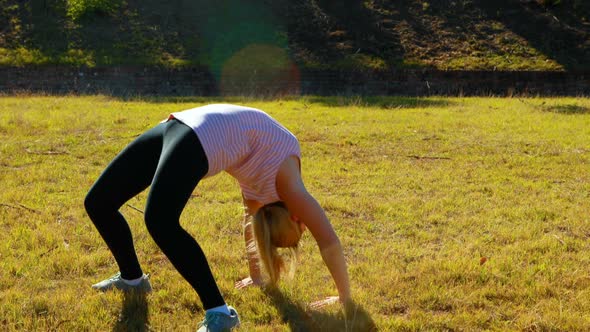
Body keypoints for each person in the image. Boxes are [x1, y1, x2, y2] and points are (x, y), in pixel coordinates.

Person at [84, 104, 351, 331]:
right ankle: (133, 280)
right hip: (186, 126)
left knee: (157, 219)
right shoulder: (291, 187)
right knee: (99, 202)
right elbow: (328, 240)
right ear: (296, 217)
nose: (306, 224)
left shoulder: (265, 191)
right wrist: (345, 298)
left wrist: (257, 276)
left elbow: (253, 220)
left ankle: (219, 311)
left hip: (194, 130)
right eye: (303, 229)